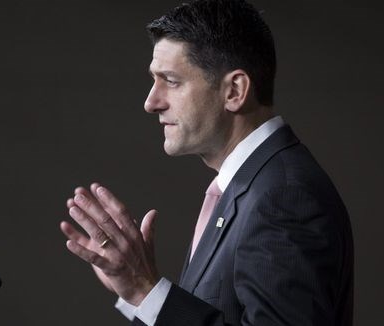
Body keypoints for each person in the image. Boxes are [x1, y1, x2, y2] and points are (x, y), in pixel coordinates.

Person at [59, 0, 354, 325]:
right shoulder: (251, 188)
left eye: (170, 80)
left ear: (234, 91)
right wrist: (137, 295)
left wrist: (146, 291)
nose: (150, 102)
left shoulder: (283, 197)